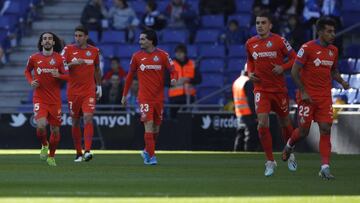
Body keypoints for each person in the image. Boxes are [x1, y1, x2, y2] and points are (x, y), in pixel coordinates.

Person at [282, 17, 350, 180]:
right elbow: (294, 71)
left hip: (325, 97)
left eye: (333, 31)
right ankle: (289, 145)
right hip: (307, 97)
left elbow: (333, 70)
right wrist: (303, 92)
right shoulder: (307, 48)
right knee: (304, 131)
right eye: (329, 31)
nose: (332, 34)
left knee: (326, 128)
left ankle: (325, 167)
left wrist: (341, 81)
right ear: (319, 32)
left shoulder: (333, 50)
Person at [245, 11, 297, 177]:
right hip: (261, 89)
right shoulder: (250, 43)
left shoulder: (280, 41)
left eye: (263, 22)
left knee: (285, 123)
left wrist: (283, 67)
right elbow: (250, 62)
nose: (260, 25)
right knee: (262, 123)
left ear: (270, 25)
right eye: (257, 22)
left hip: (279, 89)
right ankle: (269, 161)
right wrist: (250, 73)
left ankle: (290, 153)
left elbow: (295, 58)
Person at [121, 29, 178, 165]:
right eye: (140, 39)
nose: (140, 41)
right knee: (149, 125)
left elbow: (173, 71)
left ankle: (147, 150)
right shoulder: (136, 57)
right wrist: (124, 95)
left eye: (143, 39)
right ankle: (151, 157)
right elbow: (129, 77)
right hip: (144, 97)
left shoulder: (163, 55)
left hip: (159, 98)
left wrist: (174, 79)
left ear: (151, 40)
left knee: (156, 128)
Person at [24, 32, 67, 166]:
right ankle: (44, 144)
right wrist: (31, 81)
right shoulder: (34, 58)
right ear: (41, 42)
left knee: (55, 130)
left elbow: (69, 77)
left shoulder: (60, 59)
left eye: (50, 39)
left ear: (54, 42)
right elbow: (27, 71)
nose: (47, 41)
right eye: (45, 39)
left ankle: (51, 156)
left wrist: (59, 75)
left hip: (55, 100)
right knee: (41, 126)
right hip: (40, 98)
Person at [62, 25, 102, 162]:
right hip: (73, 92)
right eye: (76, 36)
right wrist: (72, 64)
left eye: (80, 36)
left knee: (88, 117)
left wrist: (99, 86)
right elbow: (59, 67)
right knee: (75, 122)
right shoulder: (68, 49)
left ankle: (88, 151)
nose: (77, 38)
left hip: (88, 91)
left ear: (86, 37)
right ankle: (78, 153)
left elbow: (97, 69)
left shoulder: (95, 51)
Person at [168, 44, 201, 119]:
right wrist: (175, 82)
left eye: (181, 52)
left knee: (188, 120)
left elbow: (199, 79)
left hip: (189, 97)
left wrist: (188, 79)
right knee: (174, 120)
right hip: (175, 98)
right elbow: (164, 81)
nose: (178, 54)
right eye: (177, 52)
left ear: (185, 53)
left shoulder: (192, 64)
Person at [232, 67, 258, 152]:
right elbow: (251, 101)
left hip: (239, 112)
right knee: (249, 137)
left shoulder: (237, 81)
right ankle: (249, 154)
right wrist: (256, 114)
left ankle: (236, 154)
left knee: (240, 135)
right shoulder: (248, 81)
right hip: (249, 113)